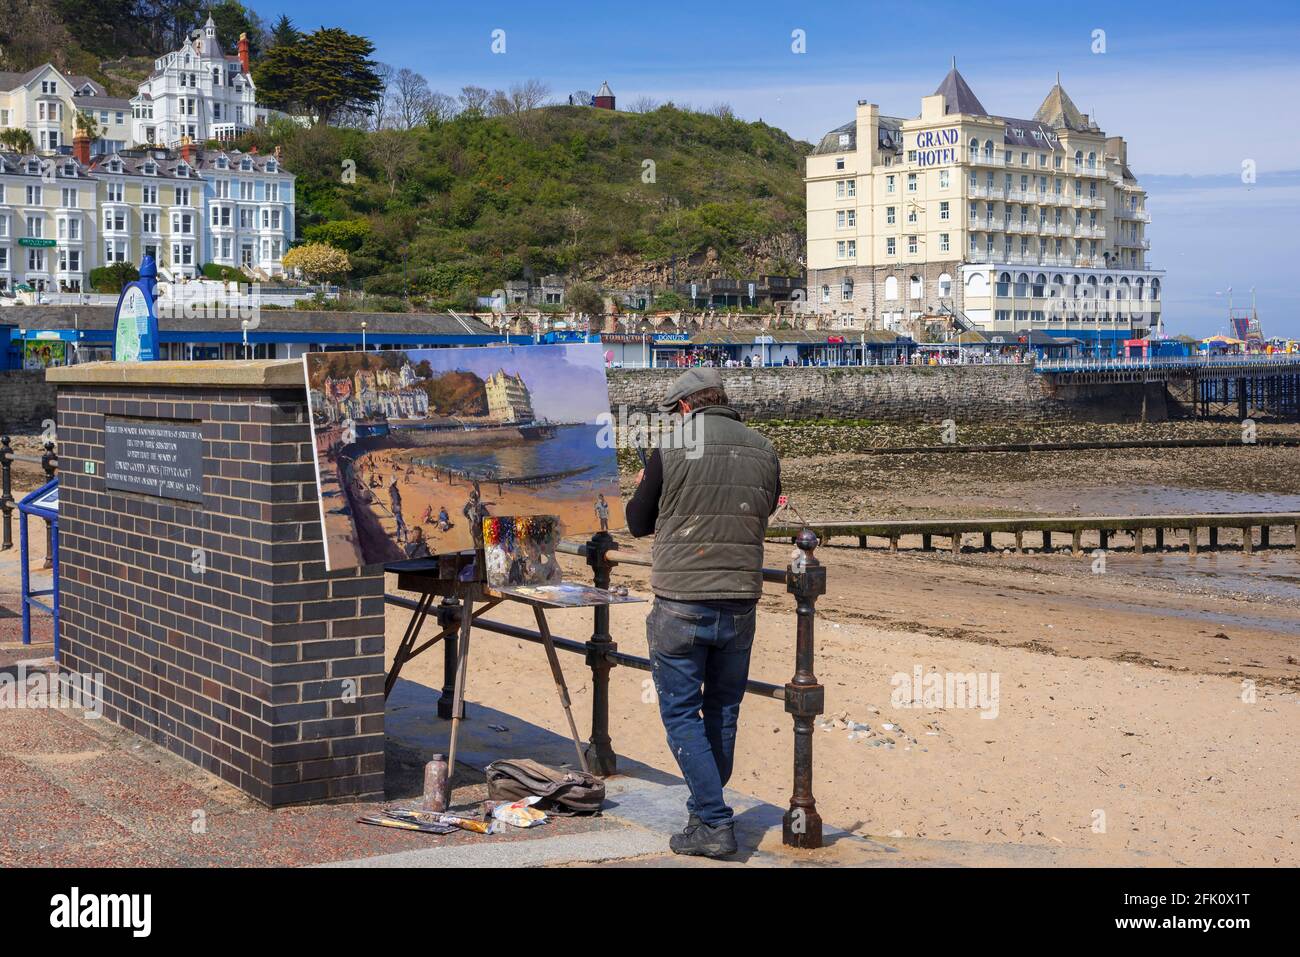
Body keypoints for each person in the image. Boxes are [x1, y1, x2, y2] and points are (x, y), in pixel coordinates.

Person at [625, 367, 781, 859]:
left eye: (676, 412)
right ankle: (703, 812)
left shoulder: (670, 449)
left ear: (687, 406)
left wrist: (644, 486)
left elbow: (637, 523)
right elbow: (765, 507)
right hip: (740, 597)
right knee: (722, 708)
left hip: (682, 599)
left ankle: (713, 821)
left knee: (679, 711)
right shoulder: (763, 447)